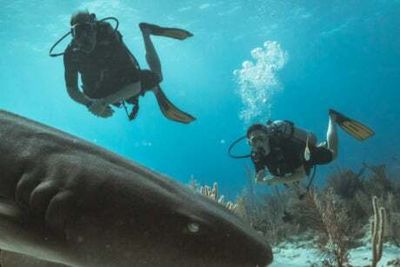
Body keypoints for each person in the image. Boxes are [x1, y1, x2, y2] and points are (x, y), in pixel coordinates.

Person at [62, 11, 195, 123]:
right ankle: (152, 89)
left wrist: (102, 104)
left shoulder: (110, 40)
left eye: (87, 30)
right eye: (78, 32)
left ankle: (146, 32)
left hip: (121, 80)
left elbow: (135, 85)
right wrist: (90, 104)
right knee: (96, 95)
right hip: (97, 92)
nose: (84, 38)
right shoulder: (71, 54)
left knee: (156, 77)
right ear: (72, 35)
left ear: (94, 28)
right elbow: (72, 89)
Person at [246, 109, 374, 186]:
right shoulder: (256, 155)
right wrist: (260, 175)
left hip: (303, 155)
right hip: (291, 165)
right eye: (253, 141)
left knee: (332, 154)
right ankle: (319, 146)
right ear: (250, 143)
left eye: (260, 138)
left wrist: (276, 180)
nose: (258, 144)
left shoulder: (284, 147)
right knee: (287, 180)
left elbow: (300, 174)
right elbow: (261, 170)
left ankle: (333, 118)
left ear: (267, 136)